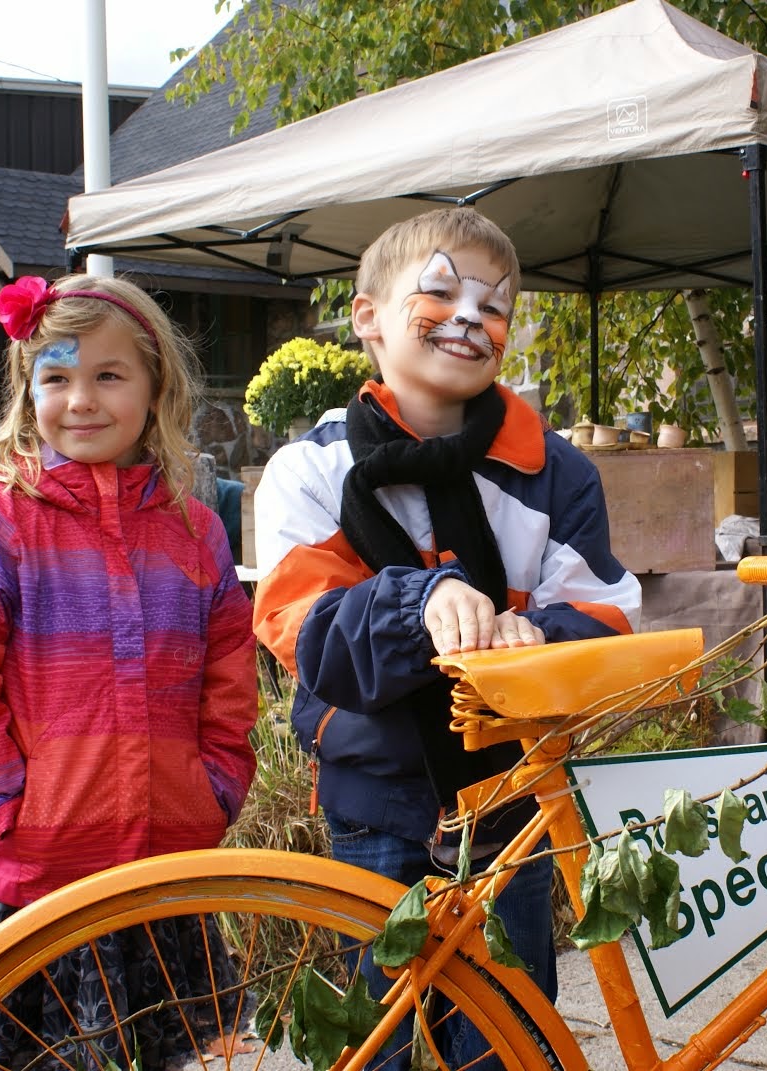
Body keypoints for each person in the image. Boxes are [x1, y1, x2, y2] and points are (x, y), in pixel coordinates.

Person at [251, 207, 641, 1064]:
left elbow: (611, 610)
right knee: (387, 1037)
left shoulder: (556, 469)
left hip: (509, 806)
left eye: (495, 305)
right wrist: (422, 601)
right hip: (377, 806)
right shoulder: (310, 471)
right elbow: (303, 631)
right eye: (439, 291)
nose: (469, 316)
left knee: (510, 1034)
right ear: (367, 317)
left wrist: (530, 632)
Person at [0, 273, 258, 1070]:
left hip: (167, 862)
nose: (82, 399)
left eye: (110, 375)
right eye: (57, 376)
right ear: (27, 388)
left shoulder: (194, 529)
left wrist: (220, 782)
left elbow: (231, 669)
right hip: (40, 870)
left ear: (154, 385)